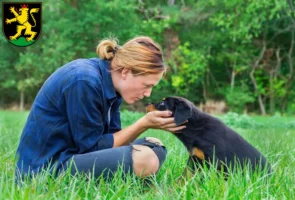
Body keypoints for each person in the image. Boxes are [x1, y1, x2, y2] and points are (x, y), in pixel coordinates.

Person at [15, 36, 186, 181]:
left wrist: (144, 133)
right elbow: (91, 148)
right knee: (146, 159)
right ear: (126, 72)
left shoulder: (112, 85)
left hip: (75, 155)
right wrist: (142, 124)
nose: (148, 93)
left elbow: (113, 140)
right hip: (44, 169)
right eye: (146, 85)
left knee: (155, 146)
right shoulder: (84, 81)